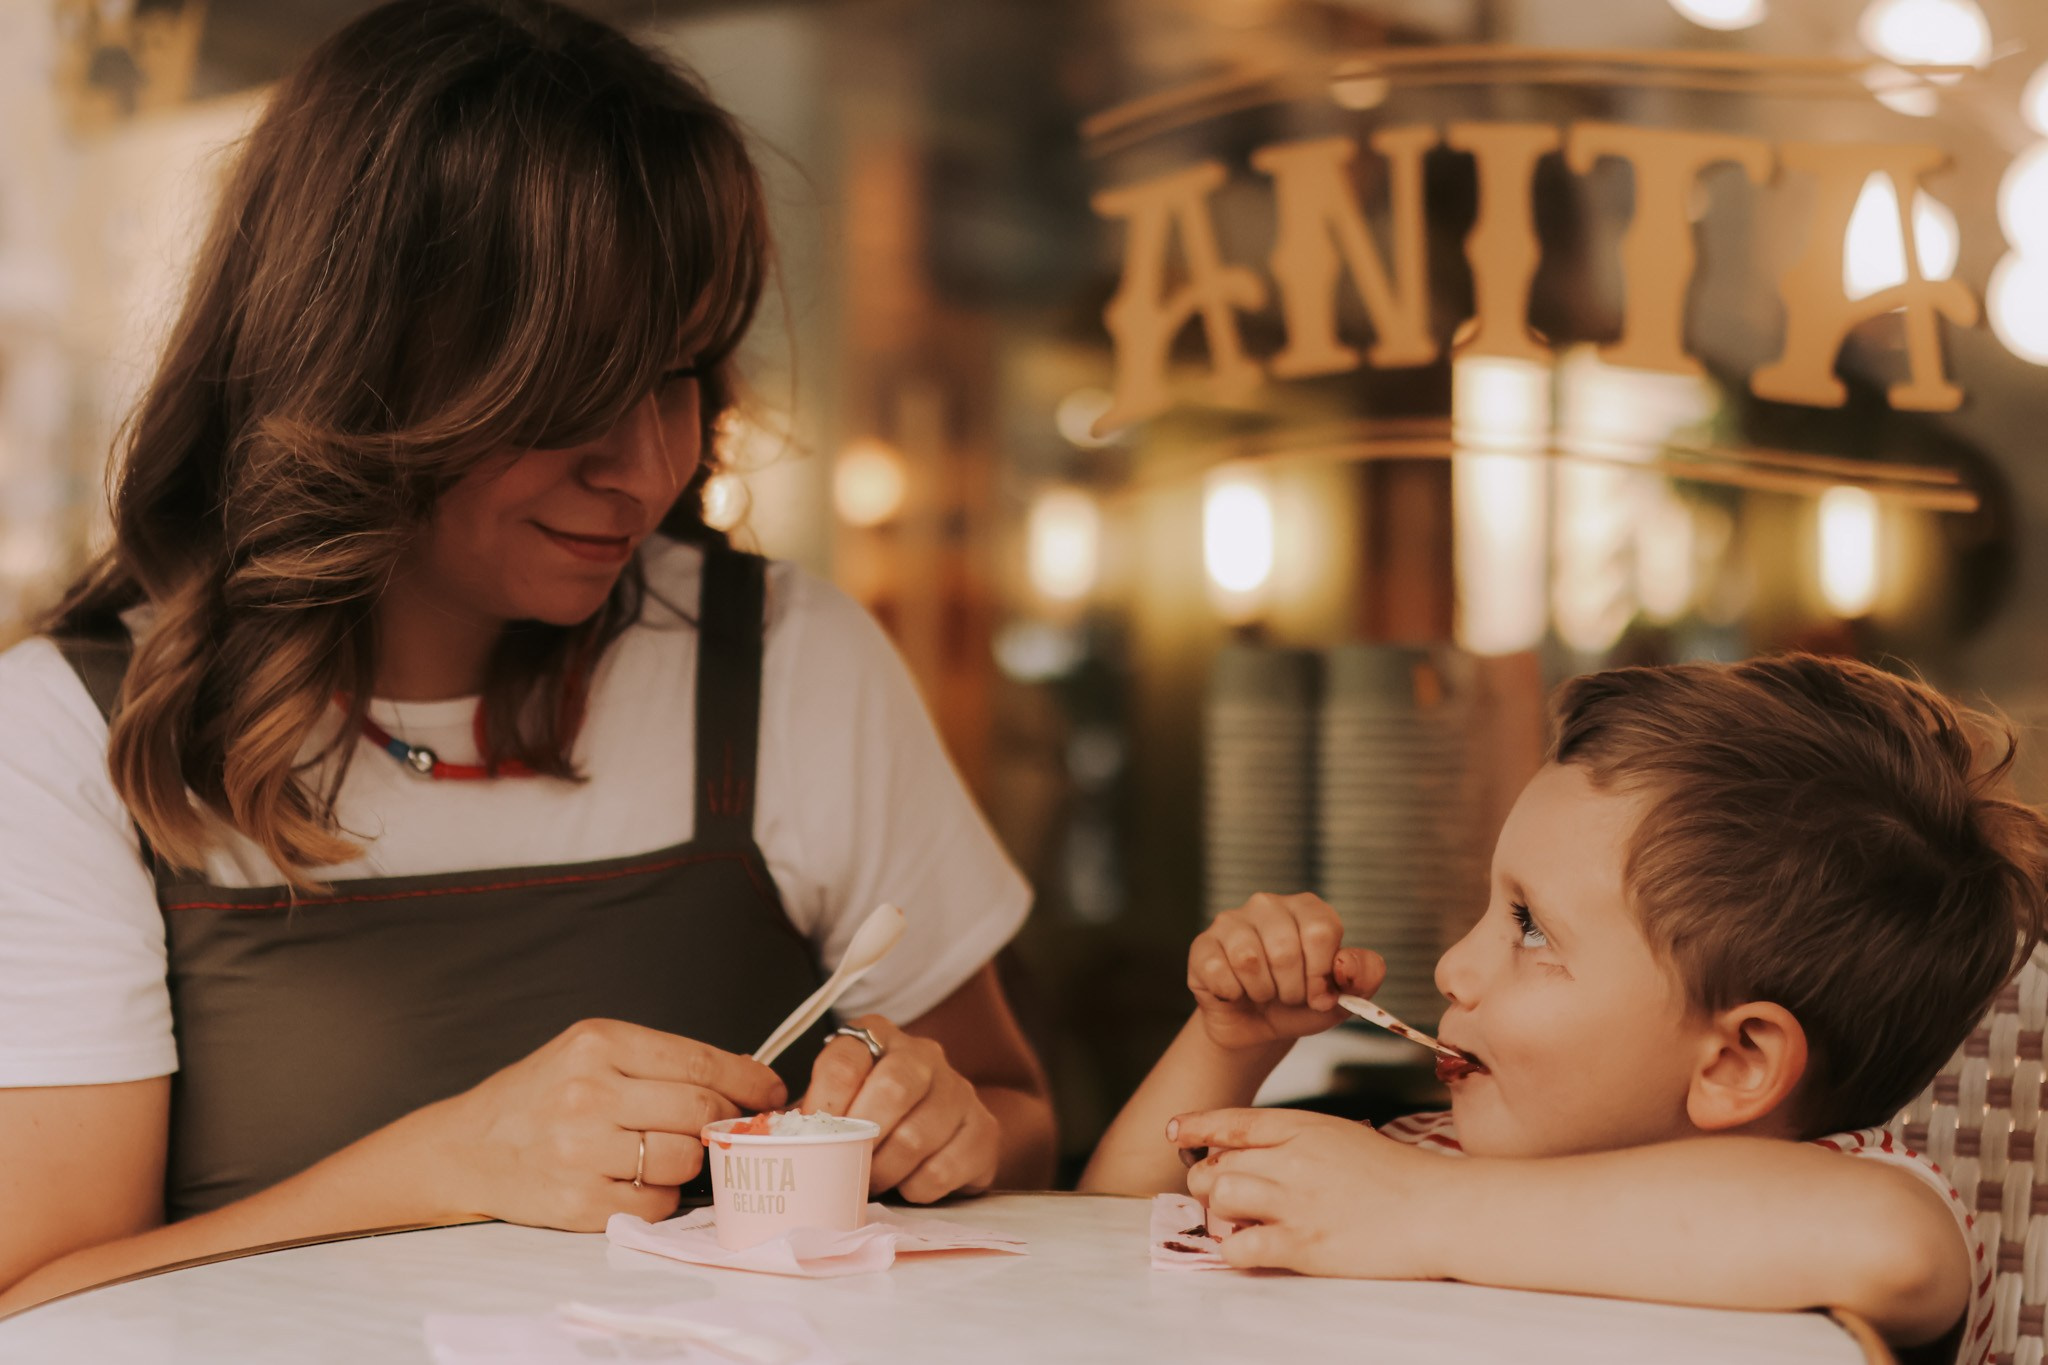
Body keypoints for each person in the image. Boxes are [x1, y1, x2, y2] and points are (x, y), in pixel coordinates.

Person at [0, 0, 1053, 1311]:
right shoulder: (82, 734)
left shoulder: (785, 657)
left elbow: (1014, 1110)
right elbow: (38, 1299)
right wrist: (451, 1160)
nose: (647, 467)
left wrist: (949, 1126)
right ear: (359, 371)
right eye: (564, 397)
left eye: (677, 375)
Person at [1082, 654, 2048, 1363]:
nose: (1456, 965)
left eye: (1532, 927)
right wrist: (1225, 1045)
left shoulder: (1845, 1189)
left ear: (1737, 1062)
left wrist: (1412, 1208)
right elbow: (1094, 1253)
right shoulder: (1439, 1151)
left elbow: (1891, 1246)